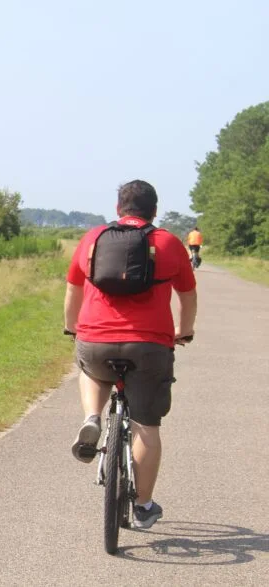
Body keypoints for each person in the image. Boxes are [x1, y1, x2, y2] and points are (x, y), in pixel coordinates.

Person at [63, 180, 197, 529]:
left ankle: (92, 417)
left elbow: (73, 289)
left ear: (118, 208)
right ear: (155, 210)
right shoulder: (168, 242)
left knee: (92, 370)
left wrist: (72, 327)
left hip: (95, 340)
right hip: (150, 346)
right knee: (146, 427)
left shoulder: (93, 238)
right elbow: (187, 295)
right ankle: (143, 506)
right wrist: (184, 331)